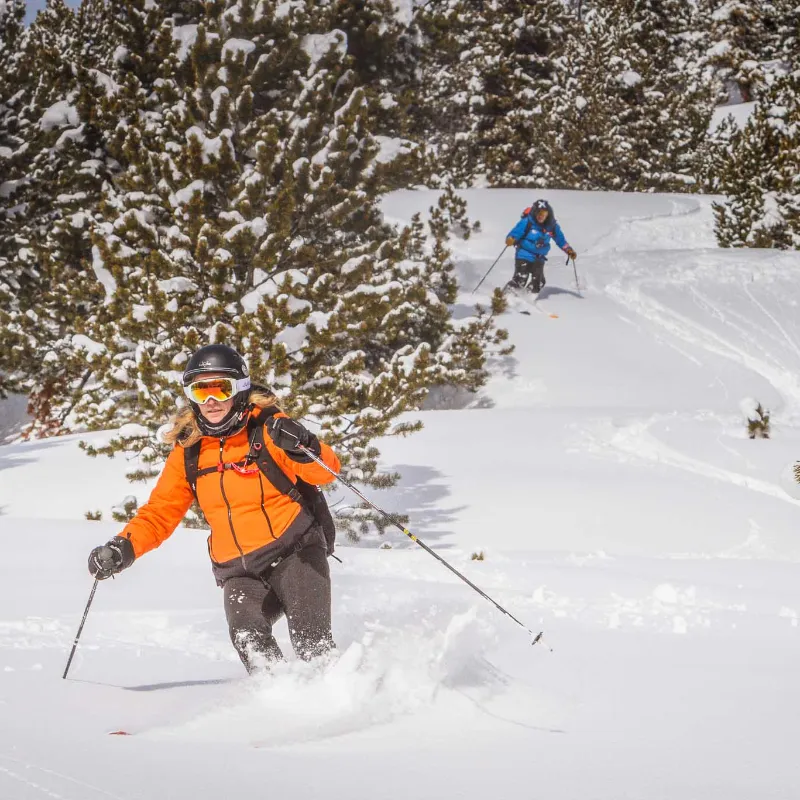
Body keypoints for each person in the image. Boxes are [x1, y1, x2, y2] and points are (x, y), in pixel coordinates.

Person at [87, 344, 341, 674]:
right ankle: (279, 709)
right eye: (199, 391)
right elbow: (162, 510)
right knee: (251, 643)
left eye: (219, 389)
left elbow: (325, 471)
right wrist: (124, 547)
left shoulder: (268, 429)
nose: (210, 401)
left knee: (313, 646)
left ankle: (350, 705)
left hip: (296, 553)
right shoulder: (189, 449)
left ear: (239, 389)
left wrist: (305, 445)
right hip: (241, 572)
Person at [505, 199, 577, 294]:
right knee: (520, 280)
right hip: (524, 254)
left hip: (539, 258)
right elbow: (514, 233)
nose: (541, 216)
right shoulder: (527, 222)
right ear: (534, 213)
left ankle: (526, 298)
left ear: (548, 215)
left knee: (538, 283)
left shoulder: (552, 227)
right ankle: (504, 298)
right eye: (538, 213)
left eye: (544, 214)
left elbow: (560, 240)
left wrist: (569, 250)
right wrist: (511, 239)